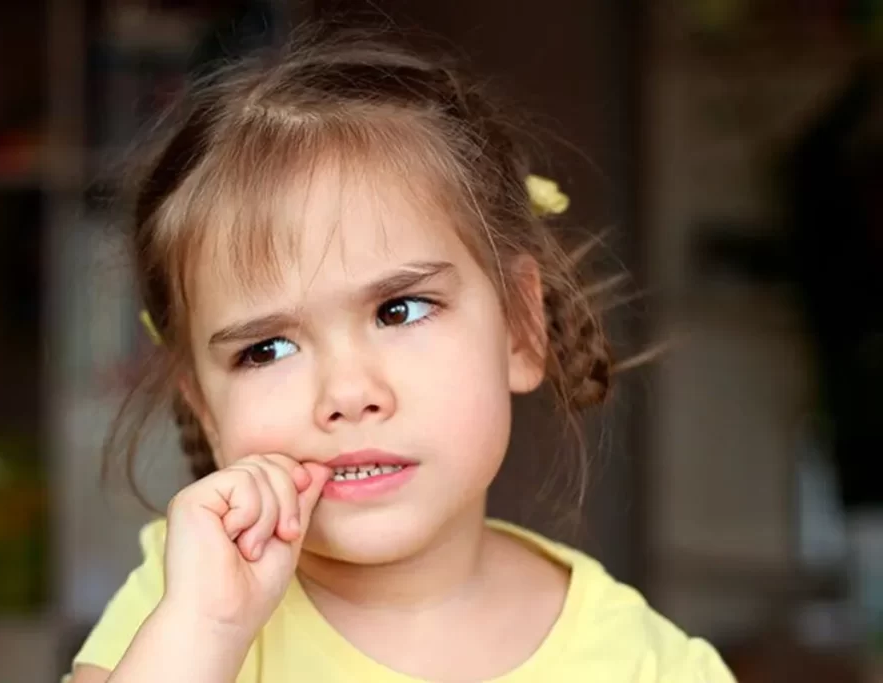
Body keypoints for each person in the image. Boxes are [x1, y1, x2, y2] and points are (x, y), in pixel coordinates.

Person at [67, 29, 736, 683]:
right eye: (267, 349)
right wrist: (205, 631)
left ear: (522, 327)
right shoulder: (186, 602)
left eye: (400, 309)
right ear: (205, 408)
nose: (348, 392)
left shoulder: (648, 665)